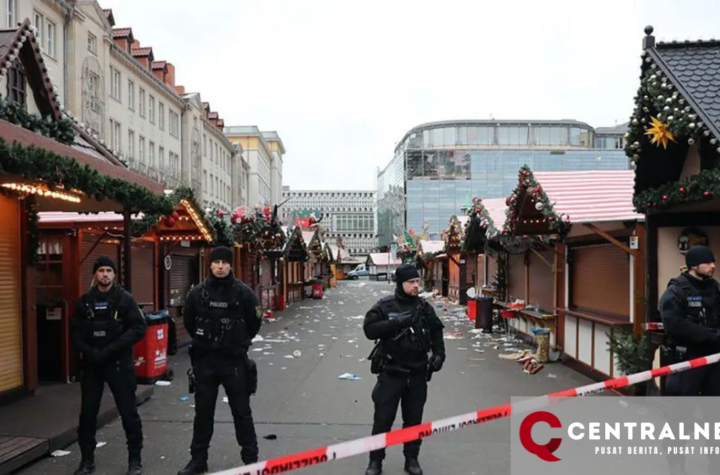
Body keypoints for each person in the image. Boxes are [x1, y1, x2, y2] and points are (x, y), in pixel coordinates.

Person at [178, 246, 262, 475]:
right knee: (203, 414)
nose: (220, 266)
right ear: (210, 265)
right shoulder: (198, 293)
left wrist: (240, 342)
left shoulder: (243, 292)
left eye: (225, 262)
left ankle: (251, 460)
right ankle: (198, 461)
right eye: (216, 262)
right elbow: (189, 321)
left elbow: (255, 321)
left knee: (242, 413)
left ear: (231, 265)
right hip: (206, 362)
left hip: (234, 361)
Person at [363, 263, 446, 475]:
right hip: (391, 372)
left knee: (413, 421)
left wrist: (439, 356)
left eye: (417, 282)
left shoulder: (424, 307)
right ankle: (375, 461)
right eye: (411, 282)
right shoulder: (385, 306)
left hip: (417, 374)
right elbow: (369, 330)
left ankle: (411, 460)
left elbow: (437, 332)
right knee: (383, 420)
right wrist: (394, 323)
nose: (416, 286)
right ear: (400, 283)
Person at [70, 256, 147, 475]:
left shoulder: (124, 299)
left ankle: (135, 460)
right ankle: (87, 461)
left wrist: (112, 349)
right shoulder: (84, 302)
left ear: (114, 274)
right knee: (87, 414)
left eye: (108, 271)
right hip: (93, 364)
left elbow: (139, 328)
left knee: (128, 413)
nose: (105, 274)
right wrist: (90, 351)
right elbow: (75, 332)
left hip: (118, 363)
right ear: (95, 274)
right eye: (101, 270)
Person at [659, 245, 720, 474]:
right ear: (694, 265)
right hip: (687, 360)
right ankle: (676, 462)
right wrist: (712, 336)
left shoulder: (714, 288)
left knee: (715, 414)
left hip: (713, 360)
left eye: (713, 261)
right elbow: (675, 325)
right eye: (708, 262)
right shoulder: (676, 291)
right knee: (680, 414)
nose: (713, 265)